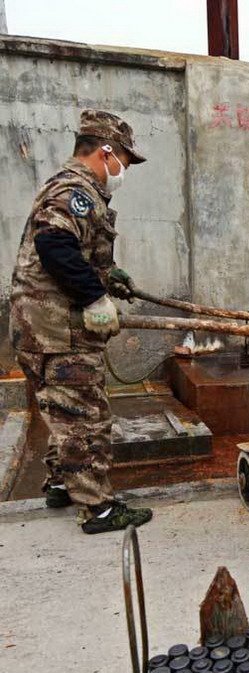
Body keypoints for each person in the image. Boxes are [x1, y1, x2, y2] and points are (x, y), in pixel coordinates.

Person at [10, 109, 153, 535]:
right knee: (85, 417)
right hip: (58, 330)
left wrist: (109, 277)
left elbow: (75, 249)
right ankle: (98, 509)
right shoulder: (76, 190)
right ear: (105, 151)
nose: (125, 170)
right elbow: (55, 245)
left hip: (42, 328)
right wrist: (95, 297)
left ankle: (60, 484)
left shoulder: (77, 189)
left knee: (63, 410)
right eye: (124, 160)